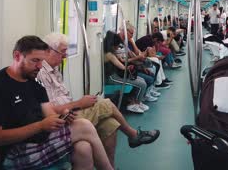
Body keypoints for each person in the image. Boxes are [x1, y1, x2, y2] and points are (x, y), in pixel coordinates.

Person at [0, 36, 113, 169]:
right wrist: (40, 126)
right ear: (17, 56)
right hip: (13, 153)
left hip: (37, 139)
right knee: (84, 125)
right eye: (35, 60)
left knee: (84, 148)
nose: (39, 66)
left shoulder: (34, 84)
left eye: (41, 61)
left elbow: (50, 115)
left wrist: (62, 116)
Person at [38, 33, 160, 167]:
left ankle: (112, 164)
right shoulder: (41, 74)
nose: (65, 56)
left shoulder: (54, 70)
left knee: (110, 124)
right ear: (48, 50)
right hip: (62, 118)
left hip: (71, 111)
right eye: (62, 52)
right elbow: (50, 110)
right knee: (105, 103)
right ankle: (133, 135)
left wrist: (77, 105)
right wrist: (78, 103)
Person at [104, 31, 150, 113]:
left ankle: (136, 102)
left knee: (142, 80)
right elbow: (122, 66)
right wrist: (128, 67)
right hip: (112, 78)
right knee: (141, 84)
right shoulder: (109, 55)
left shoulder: (112, 52)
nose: (118, 47)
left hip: (116, 75)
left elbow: (121, 60)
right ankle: (133, 105)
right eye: (117, 45)